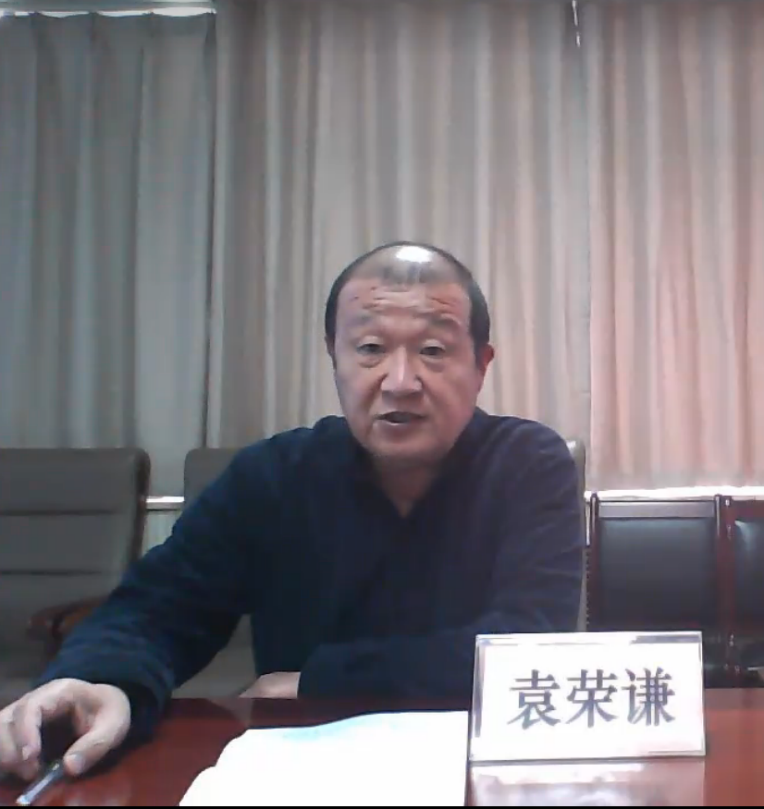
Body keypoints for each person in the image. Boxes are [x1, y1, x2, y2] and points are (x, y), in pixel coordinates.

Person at [0, 241, 584, 781]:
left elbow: (527, 645)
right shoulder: (273, 475)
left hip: (482, 770)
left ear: (481, 365)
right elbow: (160, 608)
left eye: (433, 351)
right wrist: (100, 679)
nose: (401, 381)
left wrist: (319, 680)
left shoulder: (528, 463)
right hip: (301, 770)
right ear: (335, 356)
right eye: (371, 349)